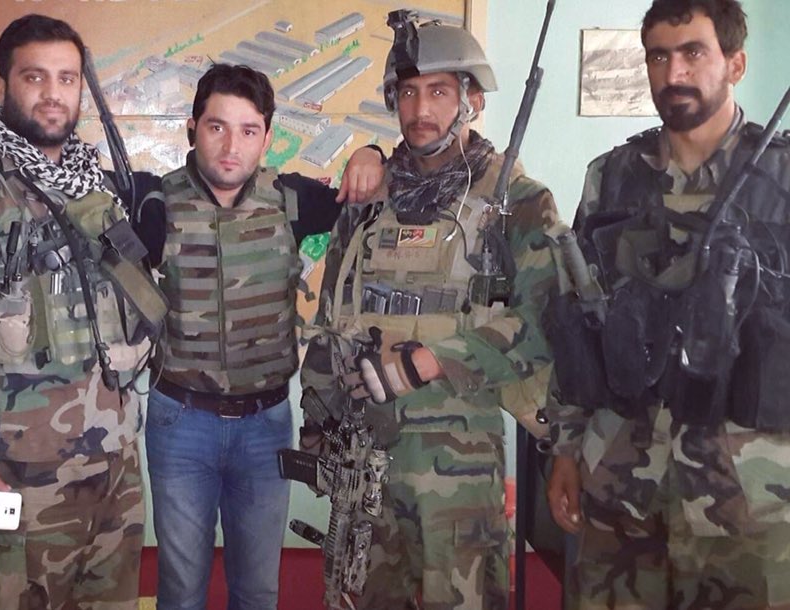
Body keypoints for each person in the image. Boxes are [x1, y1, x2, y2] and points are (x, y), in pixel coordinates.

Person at [301, 15, 560, 609]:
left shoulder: (516, 202)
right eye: (408, 92)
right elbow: (333, 316)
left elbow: (546, 322)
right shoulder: (369, 200)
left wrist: (434, 361)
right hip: (365, 460)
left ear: (472, 100)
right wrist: (316, 423)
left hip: (458, 466)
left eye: (439, 91)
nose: (421, 109)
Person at [545, 1, 790, 608]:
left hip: (751, 497)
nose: (673, 72)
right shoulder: (611, 176)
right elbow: (579, 319)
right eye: (658, 55)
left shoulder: (783, 177)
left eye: (693, 53)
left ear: (736, 64)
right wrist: (566, 448)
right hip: (620, 484)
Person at [0, 14, 167, 609]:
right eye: (34, 77)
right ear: (3, 83)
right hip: (18, 469)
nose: (53, 93)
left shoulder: (96, 185)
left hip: (112, 462)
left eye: (67, 78)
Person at [136, 63, 384, 610]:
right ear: (192, 129)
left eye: (249, 130)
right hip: (181, 423)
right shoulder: (153, 199)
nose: (232, 146)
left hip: (264, 427)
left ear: (267, 138)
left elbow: (380, 192)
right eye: (217, 127)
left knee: (257, 591)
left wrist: (372, 153)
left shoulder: (291, 199)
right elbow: (58, 177)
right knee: (180, 591)